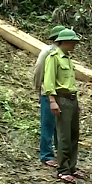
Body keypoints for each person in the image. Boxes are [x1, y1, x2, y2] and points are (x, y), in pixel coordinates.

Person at [42, 29, 83, 183]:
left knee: (74, 135)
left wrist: (76, 102)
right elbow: (49, 81)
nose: (74, 45)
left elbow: (71, 83)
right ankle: (63, 170)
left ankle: (72, 167)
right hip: (61, 99)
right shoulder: (53, 58)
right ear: (64, 42)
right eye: (72, 42)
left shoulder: (68, 59)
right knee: (64, 136)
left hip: (72, 99)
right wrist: (52, 100)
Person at [33, 25, 65, 167]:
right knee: (48, 125)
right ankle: (46, 155)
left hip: (62, 95)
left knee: (60, 126)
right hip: (49, 93)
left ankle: (60, 153)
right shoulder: (47, 52)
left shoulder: (64, 54)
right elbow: (39, 71)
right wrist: (38, 89)